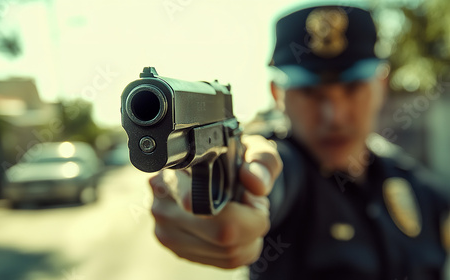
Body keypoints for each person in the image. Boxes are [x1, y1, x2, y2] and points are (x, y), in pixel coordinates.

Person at [148, 3, 450, 280]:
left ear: (381, 86)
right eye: (310, 92)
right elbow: (268, 173)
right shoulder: (287, 170)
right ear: (278, 95)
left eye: (352, 87)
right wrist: (226, 181)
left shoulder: (415, 184)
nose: (334, 116)